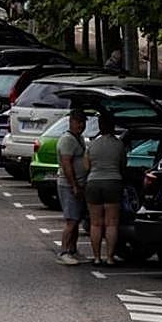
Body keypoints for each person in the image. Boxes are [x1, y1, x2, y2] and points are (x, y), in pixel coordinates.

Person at [84, 112, 125, 266]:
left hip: (93, 183)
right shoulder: (119, 144)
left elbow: (86, 166)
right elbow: (123, 165)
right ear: (113, 126)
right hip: (113, 182)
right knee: (111, 222)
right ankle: (110, 257)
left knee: (95, 223)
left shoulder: (92, 144)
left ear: (100, 126)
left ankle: (96, 257)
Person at [56, 109, 89, 265]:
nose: (81, 126)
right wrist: (74, 185)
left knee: (76, 218)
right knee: (71, 220)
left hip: (80, 184)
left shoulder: (79, 138)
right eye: (78, 122)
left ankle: (73, 249)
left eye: (83, 122)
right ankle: (64, 251)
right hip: (68, 185)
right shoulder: (67, 140)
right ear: (71, 122)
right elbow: (66, 164)